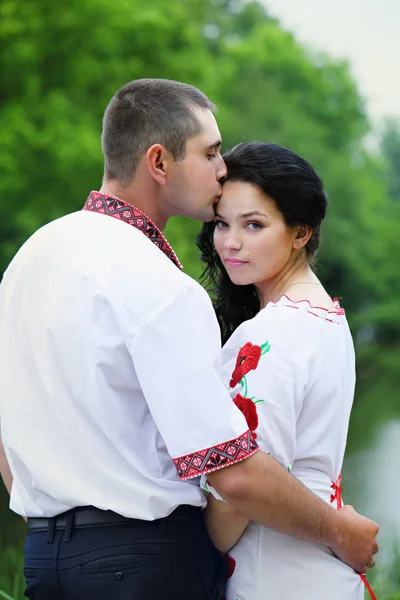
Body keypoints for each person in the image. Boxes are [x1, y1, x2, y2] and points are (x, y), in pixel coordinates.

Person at [0, 80, 378, 600]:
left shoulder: (30, 258)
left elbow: (9, 425)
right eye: (211, 152)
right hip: (142, 560)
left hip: (46, 558)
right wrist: (342, 533)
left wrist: (48, 509)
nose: (222, 168)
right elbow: (233, 473)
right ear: (159, 162)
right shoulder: (159, 284)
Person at [197, 141, 376, 599]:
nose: (230, 242)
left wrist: (202, 536)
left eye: (253, 225)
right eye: (222, 223)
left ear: (300, 233)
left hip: (275, 574)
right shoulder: (326, 317)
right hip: (314, 566)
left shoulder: (272, 332)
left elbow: (243, 481)